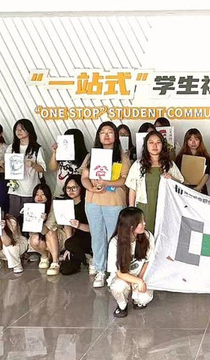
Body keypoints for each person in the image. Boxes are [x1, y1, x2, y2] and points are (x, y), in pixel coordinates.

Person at [81, 121, 130, 289]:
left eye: (110, 132)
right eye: (103, 132)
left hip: (114, 202)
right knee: (97, 236)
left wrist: (107, 182)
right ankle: (100, 270)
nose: (106, 135)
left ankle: (115, 271)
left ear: (115, 136)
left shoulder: (122, 157)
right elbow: (84, 178)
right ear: (98, 136)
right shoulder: (91, 156)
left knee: (114, 238)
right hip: (93, 202)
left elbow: (124, 180)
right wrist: (91, 188)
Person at [127, 130, 183, 232]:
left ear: (163, 145)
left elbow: (180, 184)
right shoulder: (138, 164)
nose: (155, 146)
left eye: (158, 142)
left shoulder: (170, 165)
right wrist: (131, 209)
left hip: (165, 205)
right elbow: (132, 188)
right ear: (146, 145)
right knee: (145, 233)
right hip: (144, 206)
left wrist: (172, 178)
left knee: (163, 232)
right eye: (151, 142)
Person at [107, 206, 155, 318]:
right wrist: (136, 281)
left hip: (141, 275)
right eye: (141, 222)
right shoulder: (115, 242)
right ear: (130, 225)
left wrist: (140, 280)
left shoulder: (147, 236)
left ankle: (136, 299)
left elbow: (148, 261)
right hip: (122, 277)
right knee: (118, 287)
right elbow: (119, 273)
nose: (144, 224)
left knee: (145, 298)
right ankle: (122, 305)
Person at [7, 118, 46, 222]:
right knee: (13, 221)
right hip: (14, 190)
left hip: (30, 190)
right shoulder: (11, 148)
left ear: (29, 130)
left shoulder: (37, 148)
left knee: (30, 221)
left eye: (22, 129)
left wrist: (33, 164)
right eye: (17, 129)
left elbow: (43, 169)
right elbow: (7, 167)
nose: (18, 132)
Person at [26, 183, 64, 276]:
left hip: (57, 237)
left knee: (50, 232)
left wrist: (42, 222)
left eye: (42, 194)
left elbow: (48, 229)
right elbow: (33, 231)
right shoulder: (31, 208)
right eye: (37, 195)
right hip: (42, 237)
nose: (39, 197)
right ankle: (44, 256)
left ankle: (55, 262)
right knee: (34, 239)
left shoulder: (53, 206)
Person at [58, 174, 93, 276]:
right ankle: (85, 257)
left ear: (81, 187)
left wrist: (79, 225)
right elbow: (67, 226)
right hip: (75, 240)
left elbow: (93, 228)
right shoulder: (66, 204)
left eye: (74, 188)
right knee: (65, 269)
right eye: (68, 188)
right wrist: (69, 247)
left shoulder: (87, 203)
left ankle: (87, 257)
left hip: (90, 237)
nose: (71, 191)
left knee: (71, 244)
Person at [49, 128, 88, 197]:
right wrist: (54, 153)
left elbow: (85, 175)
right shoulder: (61, 154)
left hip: (77, 195)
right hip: (60, 193)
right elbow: (52, 168)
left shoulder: (86, 156)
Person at [176, 129, 210, 194]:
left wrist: (198, 187)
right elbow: (178, 174)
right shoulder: (180, 157)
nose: (193, 143)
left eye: (196, 139)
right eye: (190, 140)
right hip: (184, 189)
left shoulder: (205, 156)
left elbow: (207, 174)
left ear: (200, 141)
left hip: (201, 189)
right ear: (186, 141)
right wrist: (185, 187)